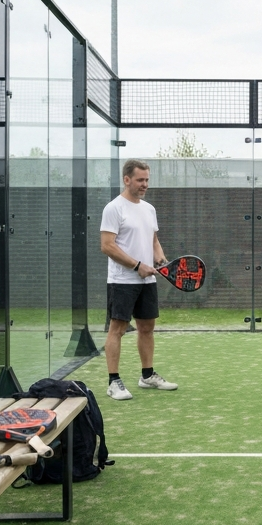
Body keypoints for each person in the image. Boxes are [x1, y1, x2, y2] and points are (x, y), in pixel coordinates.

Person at [100, 159, 177, 400]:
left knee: (147, 327)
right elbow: (107, 246)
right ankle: (113, 382)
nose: (144, 184)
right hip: (122, 281)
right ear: (127, 179)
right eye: (140, 180)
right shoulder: (114, 208)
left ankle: (147, 376)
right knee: (118, 329)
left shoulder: (149, 209)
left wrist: (160, 258)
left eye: (146, 180)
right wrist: (136, 266)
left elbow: (153, 240)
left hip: (147, 281)